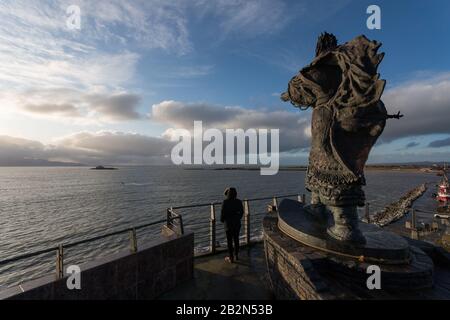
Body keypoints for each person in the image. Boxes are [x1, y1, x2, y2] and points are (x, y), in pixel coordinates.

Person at [220, 187, 244, 263]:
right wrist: (238, 218)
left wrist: (222, 220)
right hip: (237, 223)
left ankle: (231, 258)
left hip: (228, 224)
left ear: (228, 194)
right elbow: (242, 212)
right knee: (236, 239)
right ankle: (236, 255)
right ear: (236, 194)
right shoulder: (239, 202)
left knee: (229, 241)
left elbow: (222, 213)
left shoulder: (225, 202)